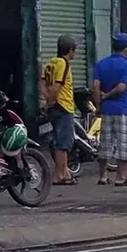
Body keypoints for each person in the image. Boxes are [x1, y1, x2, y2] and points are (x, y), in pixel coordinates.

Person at [93, 33, 127, 186]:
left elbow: (95, 86)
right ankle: (121, 177)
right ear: (125, 49)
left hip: (107, 110)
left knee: (105, 144)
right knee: (125, 144)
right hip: (124, 109)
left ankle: (102, 176)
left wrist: (99, 105)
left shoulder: (101, 64)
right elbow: (121, 87)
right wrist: (108, 95)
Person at [43, 35, 79, 185]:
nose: (75, 53)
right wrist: (51, 99)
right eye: (74, 50)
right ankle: (61, 175)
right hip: (63, 106)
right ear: (69, 50)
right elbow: (58, 86)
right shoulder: (64, 64)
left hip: (55, 106)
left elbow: (41, 82)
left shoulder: (51, 63)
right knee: (63, 143)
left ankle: (65, 172)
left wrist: (46, 98)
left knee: (61, 141)